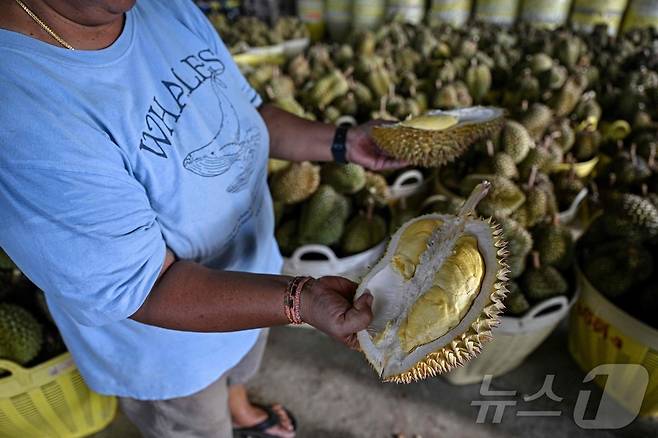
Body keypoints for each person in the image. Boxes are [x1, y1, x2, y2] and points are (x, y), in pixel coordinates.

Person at [0, 1, 405, 437]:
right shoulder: (22, 113)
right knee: (197, 423)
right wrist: (299, 301)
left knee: (240, 366)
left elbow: (251, 115)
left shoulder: (162, 7)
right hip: (171, 353)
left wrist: (345, 142)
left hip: (258, 278)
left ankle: (239, 405)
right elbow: (146, 287)